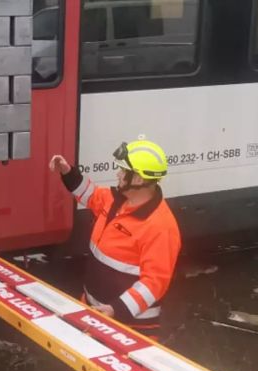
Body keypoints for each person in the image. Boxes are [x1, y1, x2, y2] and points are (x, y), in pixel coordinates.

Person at [49, 140, 181, 339]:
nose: (118, 174)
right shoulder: (115, 200)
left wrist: (116, 309)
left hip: (132, 328)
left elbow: (154, 283)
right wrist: (67, 172)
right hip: (95, 312)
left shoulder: (161, 227)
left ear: (137, 179)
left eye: (123, 170)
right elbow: (90, 195)